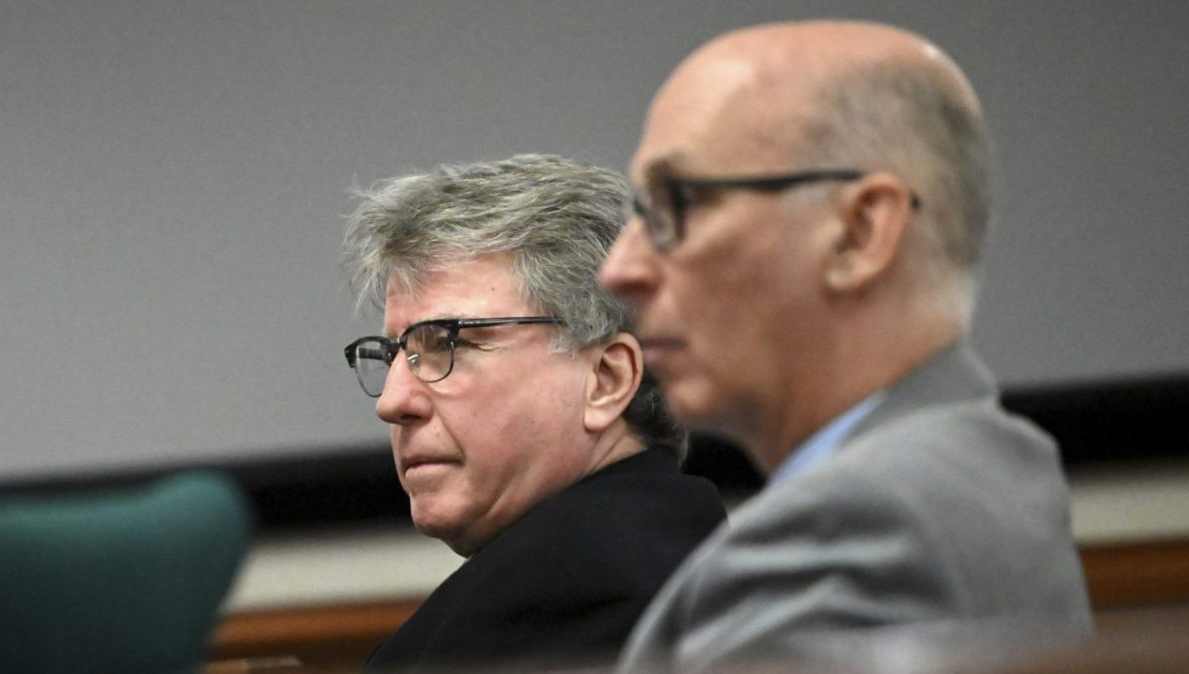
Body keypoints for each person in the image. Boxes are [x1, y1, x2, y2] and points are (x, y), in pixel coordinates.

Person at [597, 20, 1093, 673]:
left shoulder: (853, 526)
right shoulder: (991, 463)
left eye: (679, 203)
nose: (620, 270)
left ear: (859, 233)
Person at [342, 153, 727, 673]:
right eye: (395, 354)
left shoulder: (571, 588)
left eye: (448, 343)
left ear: (607, 380)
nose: (392, 402)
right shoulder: (665, 543)